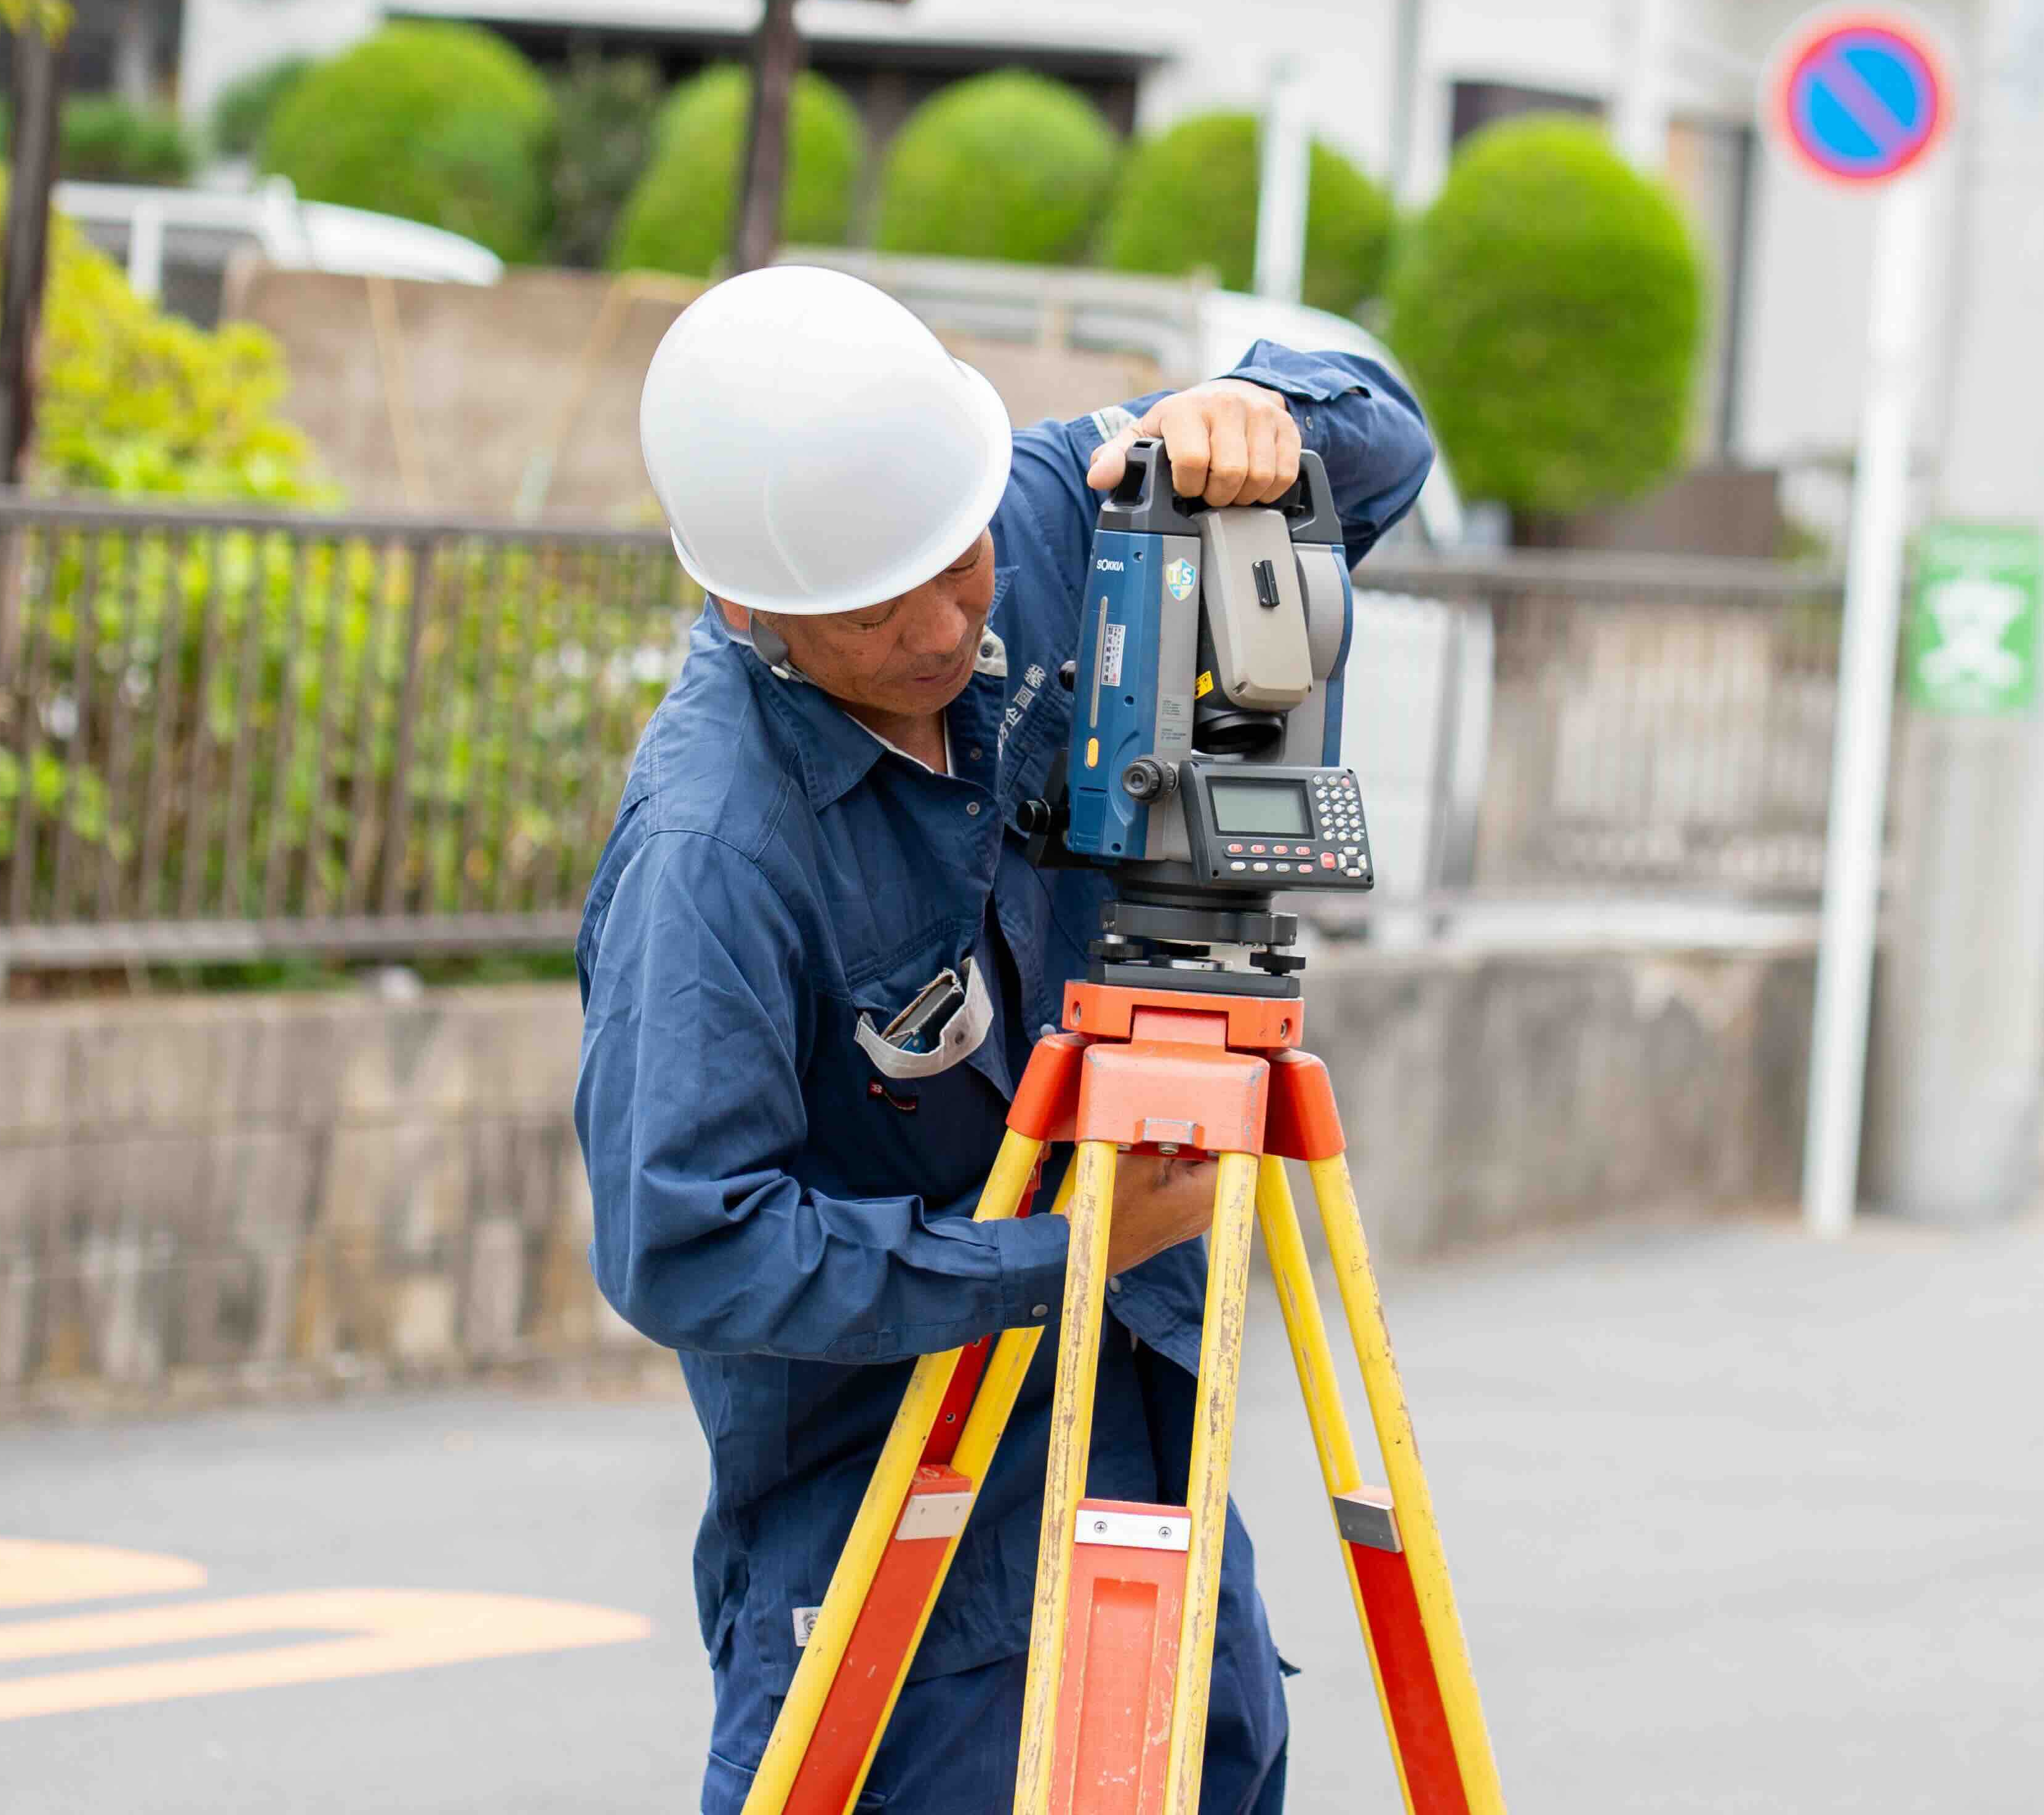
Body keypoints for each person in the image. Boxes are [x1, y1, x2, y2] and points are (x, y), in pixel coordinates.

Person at [576, 265, 1434, 1815]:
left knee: (1221, 1765)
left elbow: (1385, 444)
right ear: (748, 601)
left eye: (958, 566)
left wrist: (1257, 413)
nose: (940, 626)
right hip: (897, 1525)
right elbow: (687, 1246)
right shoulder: (714, 848)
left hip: (1153, 1432)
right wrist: (1063, 1251)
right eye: (871, 610)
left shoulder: (1031, 509)